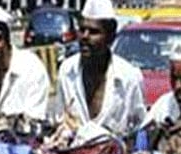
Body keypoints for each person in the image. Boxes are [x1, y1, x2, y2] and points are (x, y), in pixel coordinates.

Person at [54, 0, 146, 136]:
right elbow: (60, 121)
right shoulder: (67, 71)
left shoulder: (129, 78)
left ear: (110, 37)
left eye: (93, 32)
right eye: (82, 29)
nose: (85, 36)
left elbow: (138, 129)